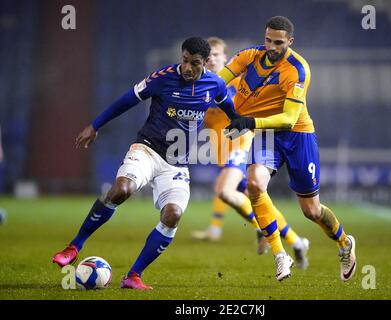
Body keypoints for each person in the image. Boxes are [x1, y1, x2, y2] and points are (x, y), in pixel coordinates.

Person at [52, 37, 238, 290]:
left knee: (173, 215)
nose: (187, 67)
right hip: (147, 149)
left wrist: (241, 125)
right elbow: (126, 100)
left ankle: (133, 276)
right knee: (122, 189)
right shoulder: (162, 78)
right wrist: (95, 126)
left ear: (205, 63)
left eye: (194, 63)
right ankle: (74, 246)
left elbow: (229, 107)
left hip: (177, 165)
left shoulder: (215, 84)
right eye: (184, 60)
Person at [221, 16, 357, 282]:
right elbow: (219, 79)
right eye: (268, 40)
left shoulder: (297, 69)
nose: (272, 46)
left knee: (312, 211)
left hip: (298, 136)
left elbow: (288, 119)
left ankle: (344, 243)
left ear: (290, 42)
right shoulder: (249, 56)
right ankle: (279, 254)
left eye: (279, 42)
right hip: (267, 134)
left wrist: (248, 121)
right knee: (254, 184)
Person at [192, 37, 310, 269]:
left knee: (225, 191)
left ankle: (260, 228)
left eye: (217, 55)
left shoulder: (237, 79)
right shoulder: (200, 85)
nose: (212, 59)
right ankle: (297, 242)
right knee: (251, 196)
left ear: (226, 58)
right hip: (221, 150)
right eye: (208, 56)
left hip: (242, 143)